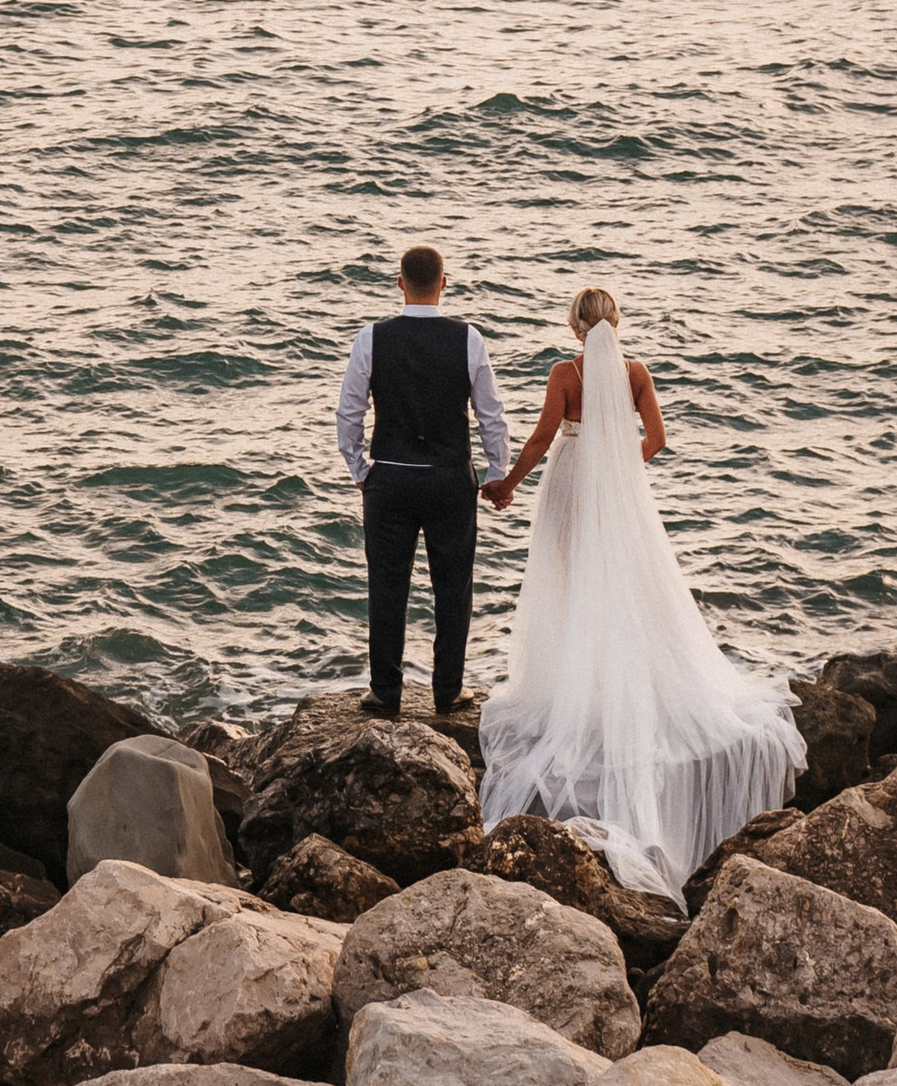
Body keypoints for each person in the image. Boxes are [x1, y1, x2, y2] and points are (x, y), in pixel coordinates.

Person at [478, 283, 801, 903]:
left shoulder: (565, 374)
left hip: (569, 481)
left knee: (568, 582)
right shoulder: (636, 372)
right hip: (614, 487)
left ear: (575, 326)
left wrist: (508, 483)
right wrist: (619, 471)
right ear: (616, 322)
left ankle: (580, 687)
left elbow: (543, 437)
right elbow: (656, 437)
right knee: (621, 583)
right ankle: (614, 683)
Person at [335, 246, 513, 720]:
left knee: (386, 585)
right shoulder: (469, 338)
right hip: (449, 478)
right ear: (444, 282)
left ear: (400, 282)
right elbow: (491, 416)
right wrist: (497, 474)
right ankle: (448, 691)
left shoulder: (371, 338)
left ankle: (385, 692)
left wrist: (361, 471)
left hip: (391, 477)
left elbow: (349, 413)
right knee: (453, 587)